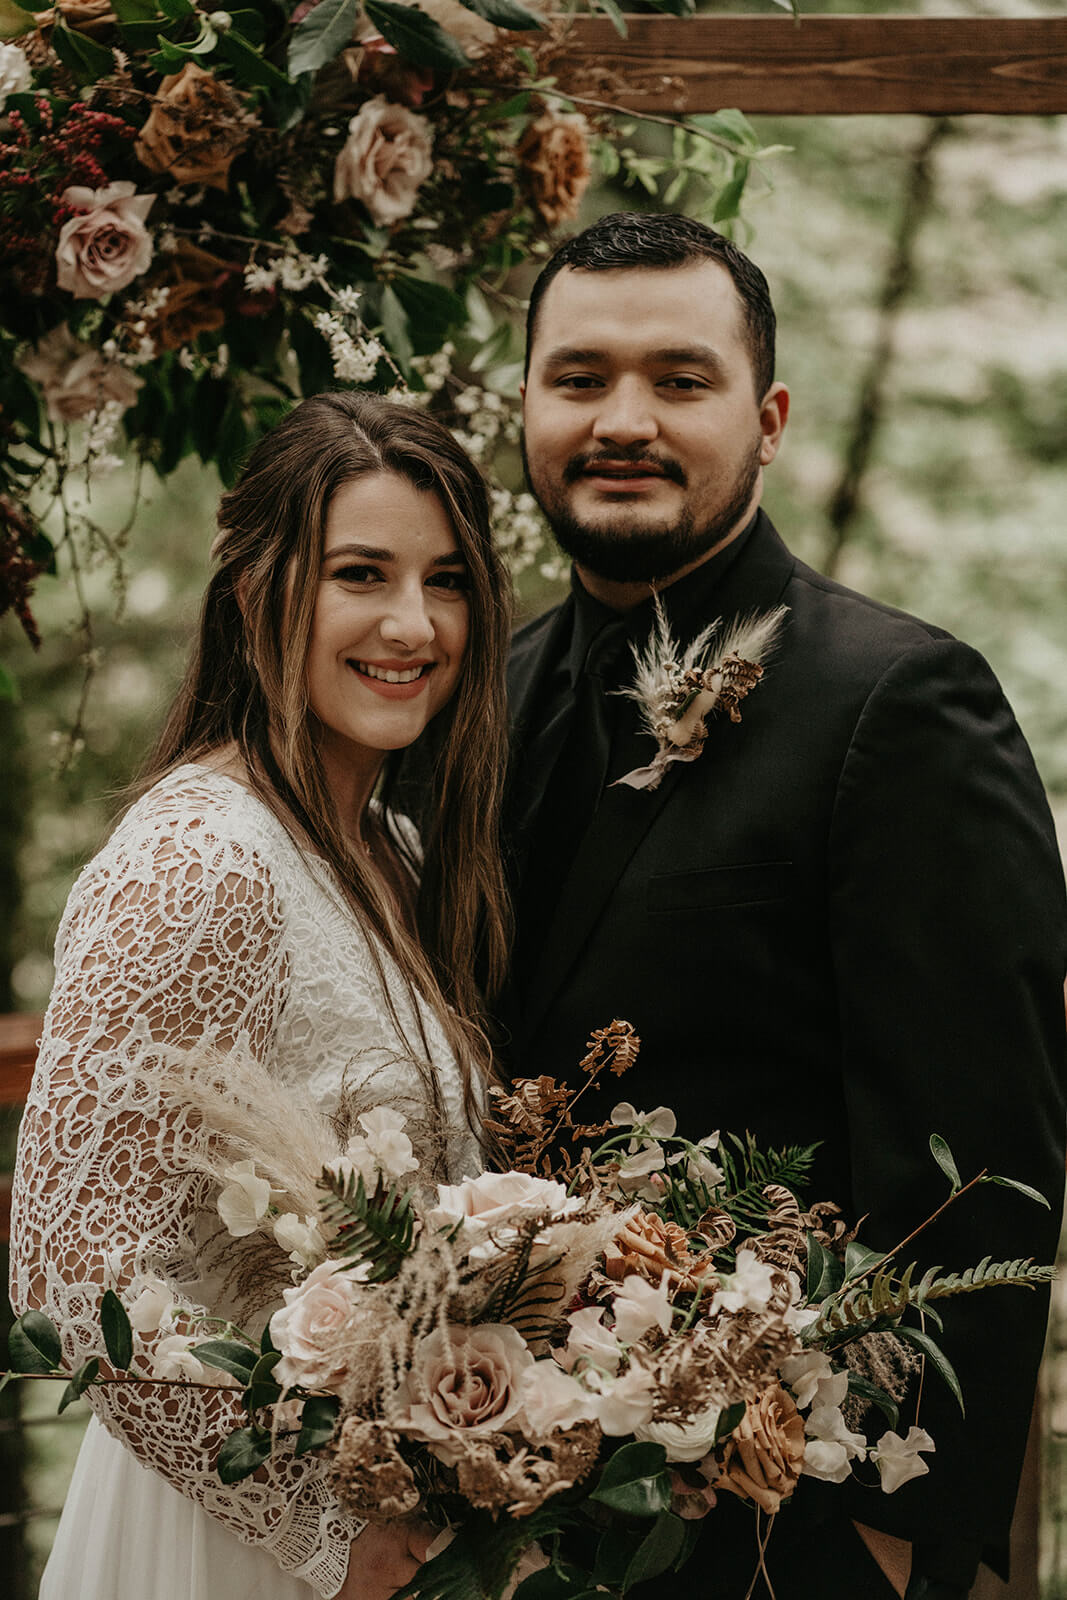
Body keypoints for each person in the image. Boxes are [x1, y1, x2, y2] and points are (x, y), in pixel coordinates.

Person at [505, 211, 1067, 1599]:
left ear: (765, 418)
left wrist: (893, 1535)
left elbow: (980, 1164)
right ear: (523, 404)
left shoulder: (898, 702)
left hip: (782, 1523)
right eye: (577, 378)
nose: (620, 419)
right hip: (502, 1500)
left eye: (677, 380)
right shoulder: (479, 695)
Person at [10, 391, 512, 1600]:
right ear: (254, 593)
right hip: (236, 1534)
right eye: (360, 574)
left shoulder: (389, 843)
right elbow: (70, 1272)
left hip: (388, 1510)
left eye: (445, 581)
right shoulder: (200, 858)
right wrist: (317, 1532)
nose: (412, 623)